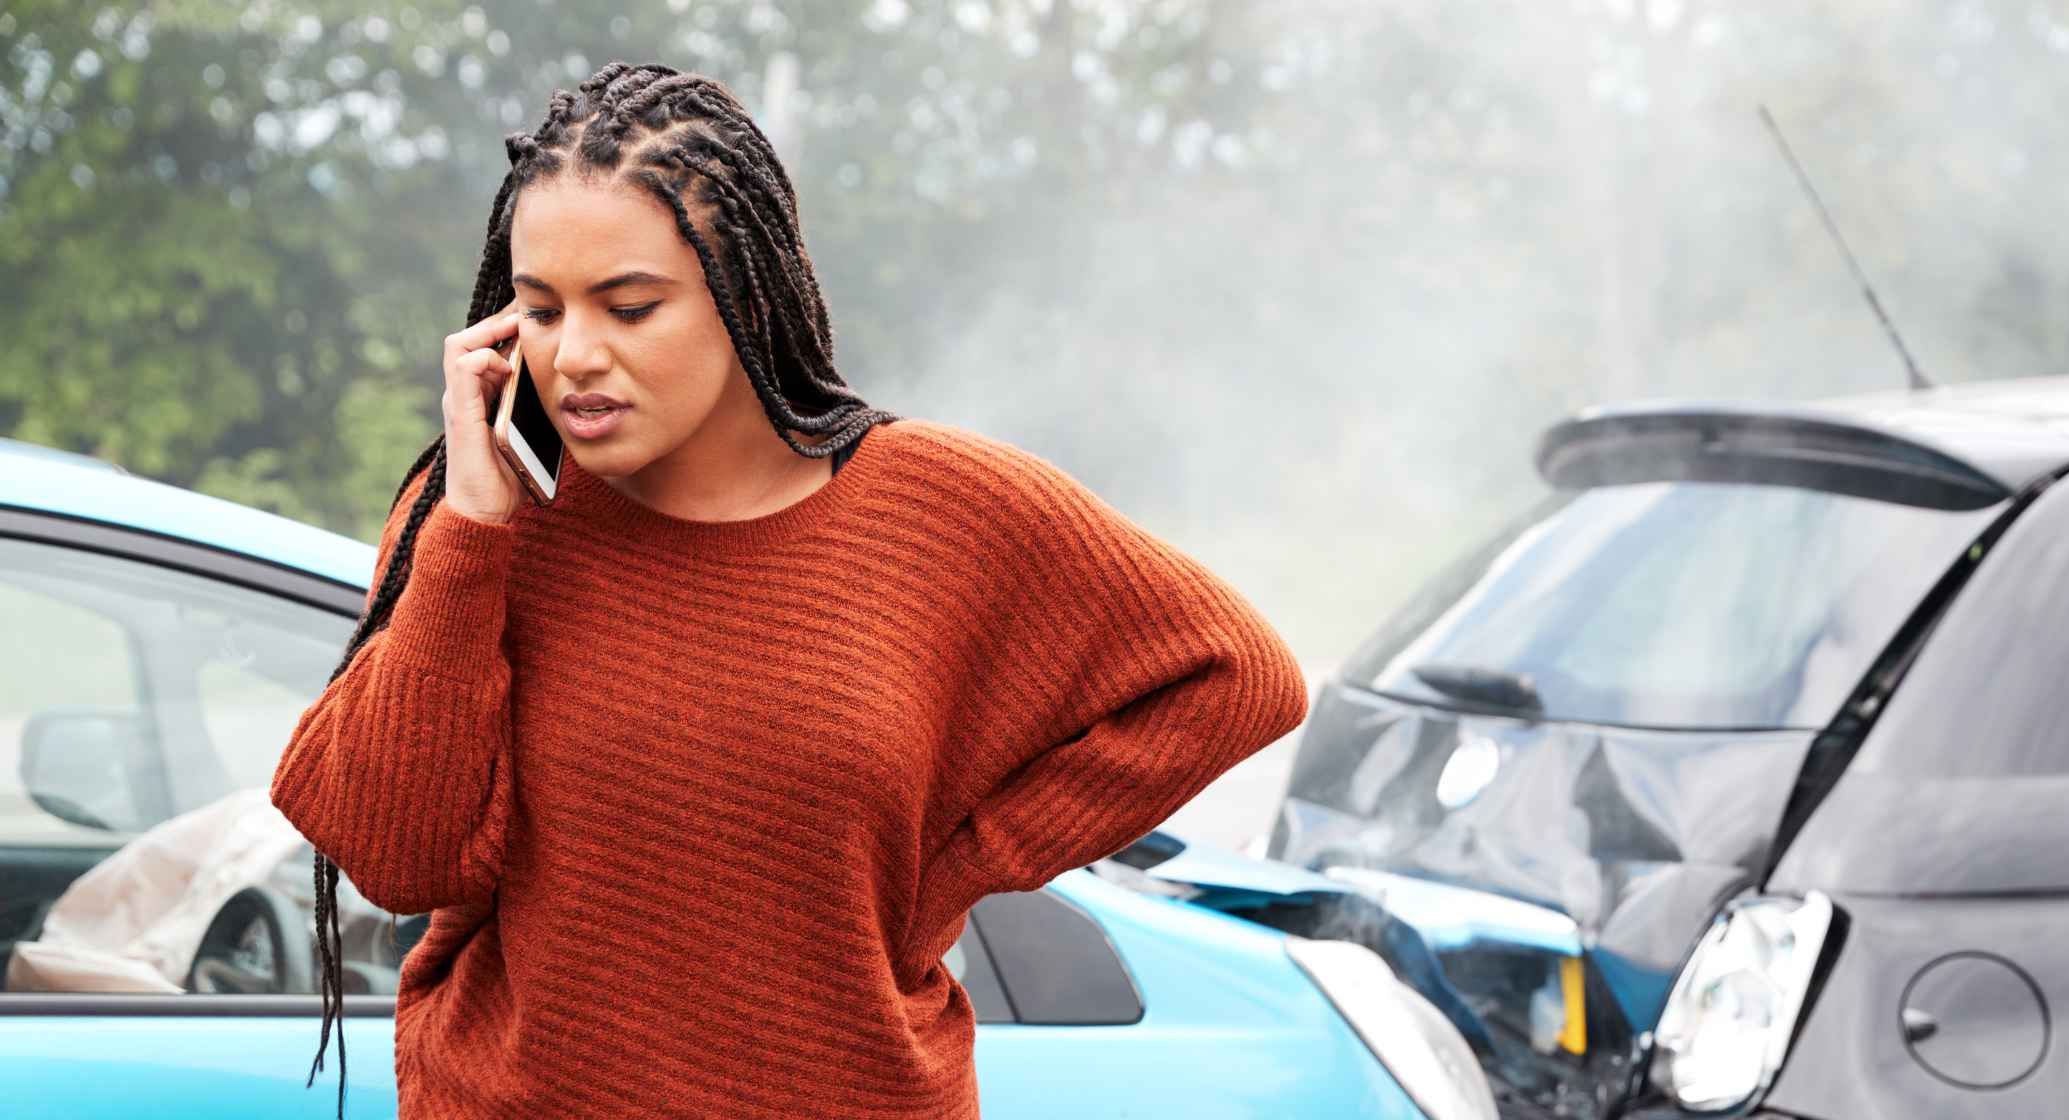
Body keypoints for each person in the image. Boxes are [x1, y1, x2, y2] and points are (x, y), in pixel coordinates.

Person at [266, 60, 1310, 1120]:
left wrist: (948, 868)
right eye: (540, 309)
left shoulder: (942, 507)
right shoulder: (481, 520)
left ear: (744, 294)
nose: (575, 354)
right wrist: (474, 530)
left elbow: (1236, 676)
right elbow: (395, 857)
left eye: (629, 307)